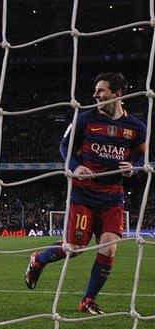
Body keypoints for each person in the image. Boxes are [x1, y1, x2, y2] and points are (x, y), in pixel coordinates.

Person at [25, 73, 146, 315]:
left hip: (112, 195)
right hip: (83, 194)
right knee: (75, 248)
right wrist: (74, 166)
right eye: (96, 90)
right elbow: (64, 146)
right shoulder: (84, 119)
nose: (95, 95)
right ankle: (38, 259)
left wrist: (135, 167)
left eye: (101, 90)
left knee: (109, 248)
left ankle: (87, 300)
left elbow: (143, 157)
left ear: (117, 94)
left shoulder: (136, 127)